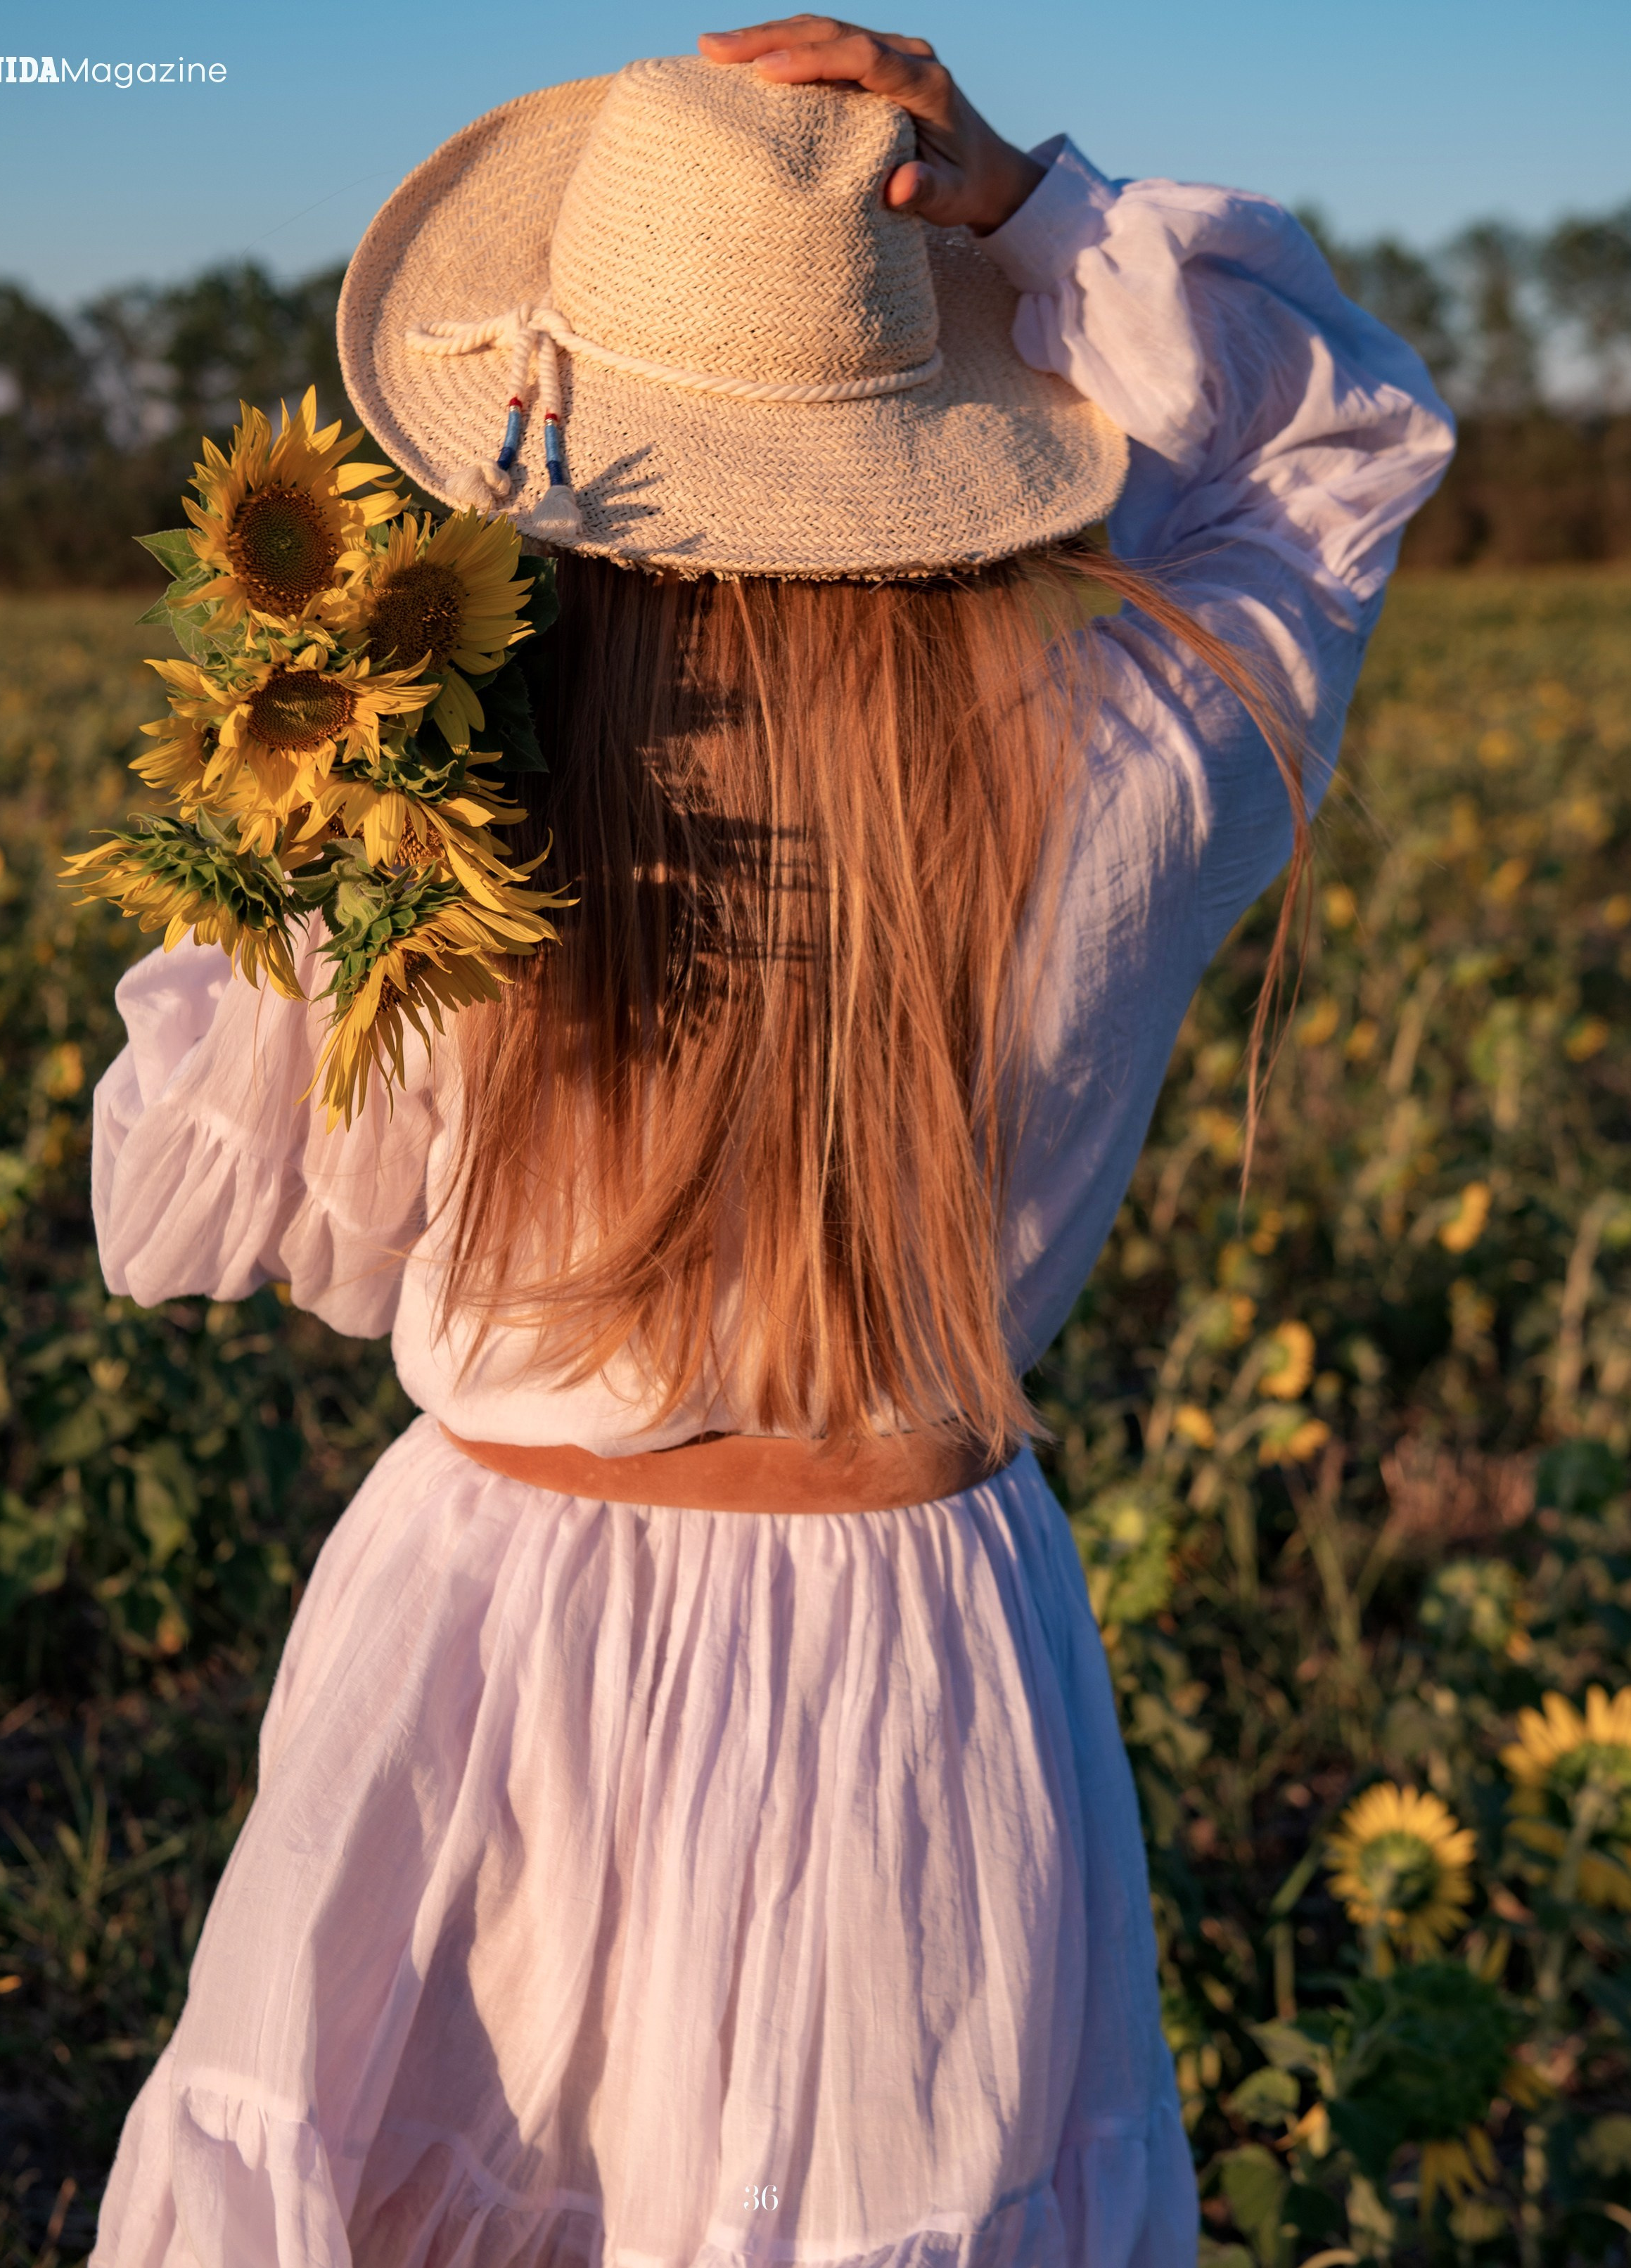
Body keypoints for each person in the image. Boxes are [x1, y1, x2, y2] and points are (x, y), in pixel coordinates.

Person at [87, 18, 1453, 2267]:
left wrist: (303, 831)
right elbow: (1339, 447)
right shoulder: (1133, 746)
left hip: (482, 1639)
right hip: (914, 1644)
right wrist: (1027, 209)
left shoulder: (430, 805)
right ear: (938, 422)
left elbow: (185, 1214)